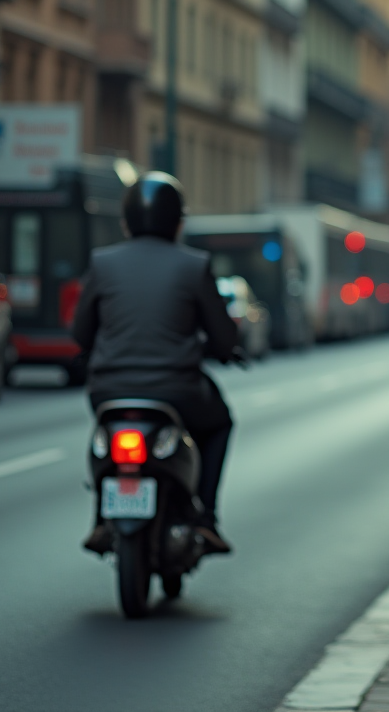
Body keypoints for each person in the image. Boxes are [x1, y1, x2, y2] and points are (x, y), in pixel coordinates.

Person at [73, 172, 240, 556]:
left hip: (108, 390)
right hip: (177, 391)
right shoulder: (194, 265)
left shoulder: (103, 263)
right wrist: (225, 349)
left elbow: (81, 333)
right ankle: (206, 517)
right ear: (177, 221)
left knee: (104, 435)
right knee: (218, 423)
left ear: (126, 221)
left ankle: (101, 516)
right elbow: (222, 336)